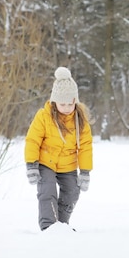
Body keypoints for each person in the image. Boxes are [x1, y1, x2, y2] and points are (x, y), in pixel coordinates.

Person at [24, 67, 93, 231]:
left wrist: (85, 172)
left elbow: (85, 147)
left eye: (71, 103)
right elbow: (32, 140)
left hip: (68, 165)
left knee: (72, 192)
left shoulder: (80, 120)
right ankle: (49, 227)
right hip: (45, 162)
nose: (68, 107)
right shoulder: (43, 116)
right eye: (63, 104)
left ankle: (61, 225)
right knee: (47, 191)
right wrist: (32, 165)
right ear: (54, 101)